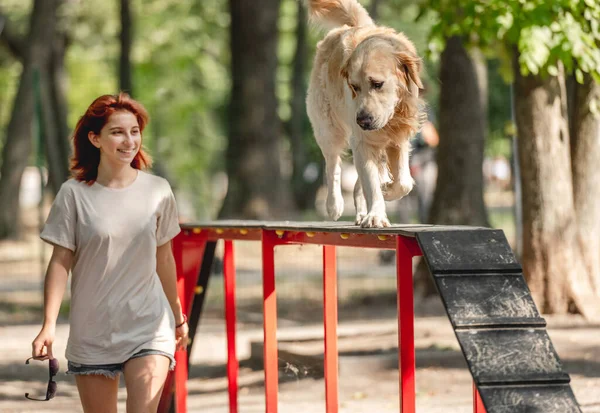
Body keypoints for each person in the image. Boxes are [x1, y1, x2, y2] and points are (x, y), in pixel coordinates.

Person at [31, 92, 189, 413]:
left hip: (149, 325)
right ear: (95, 138)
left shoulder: (158, 190)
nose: (129, 140)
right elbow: (61, 261)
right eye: (117, 132)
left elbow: (165, 258)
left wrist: (177, 316)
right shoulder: (73, 195)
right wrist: (48, 324)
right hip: (94, 329)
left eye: (134, 131)